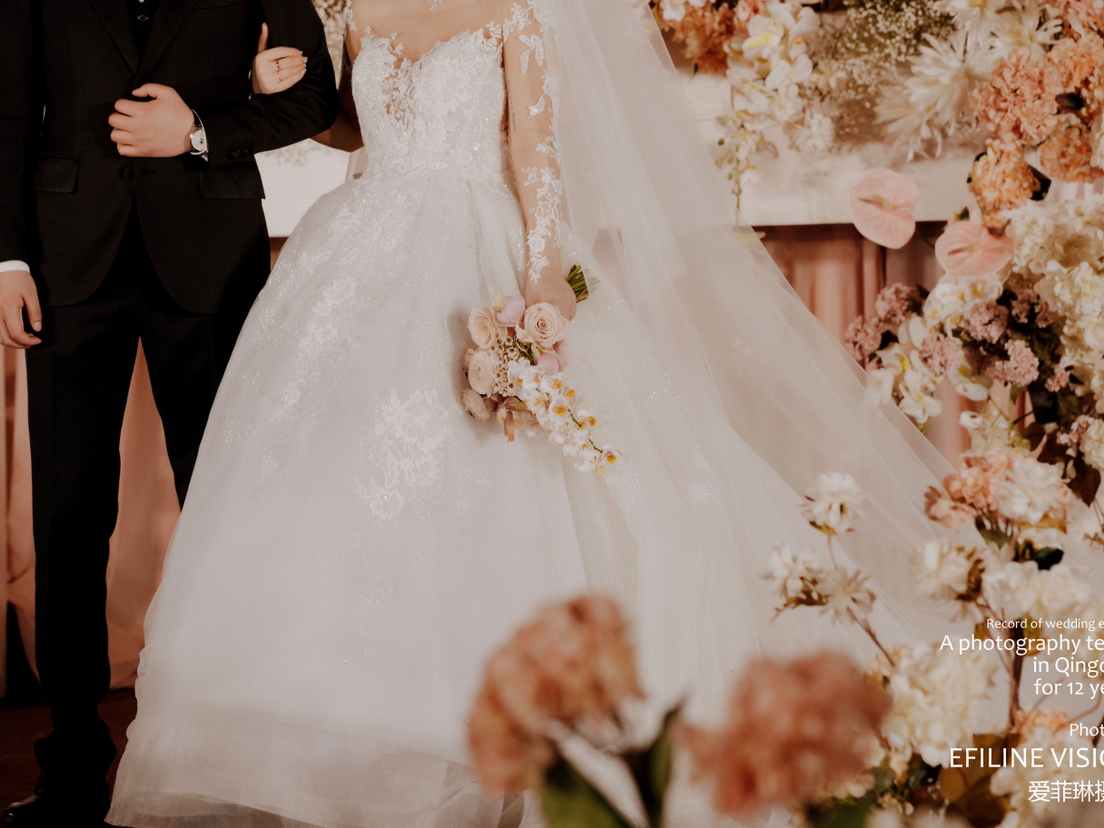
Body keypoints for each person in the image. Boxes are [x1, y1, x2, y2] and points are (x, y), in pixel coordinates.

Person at [106, 0, 954, 826]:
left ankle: (481, 729)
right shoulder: (360, 10)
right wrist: (277, 88)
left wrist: (544, 271)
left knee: (494, 474)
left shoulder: (516, 12)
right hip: (359, 248)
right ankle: (346, 725)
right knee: (332, 485)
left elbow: (533, 147)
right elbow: (352, 130)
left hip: (478, 246)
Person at [0, 2, 339, 825]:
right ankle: (71, 765)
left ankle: (236, 755)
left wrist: (199, 131)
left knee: (228, 511)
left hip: (211, 257)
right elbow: (7, 108)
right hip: (66, 260)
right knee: (68, 515)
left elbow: (316, 99)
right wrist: (6, 258)